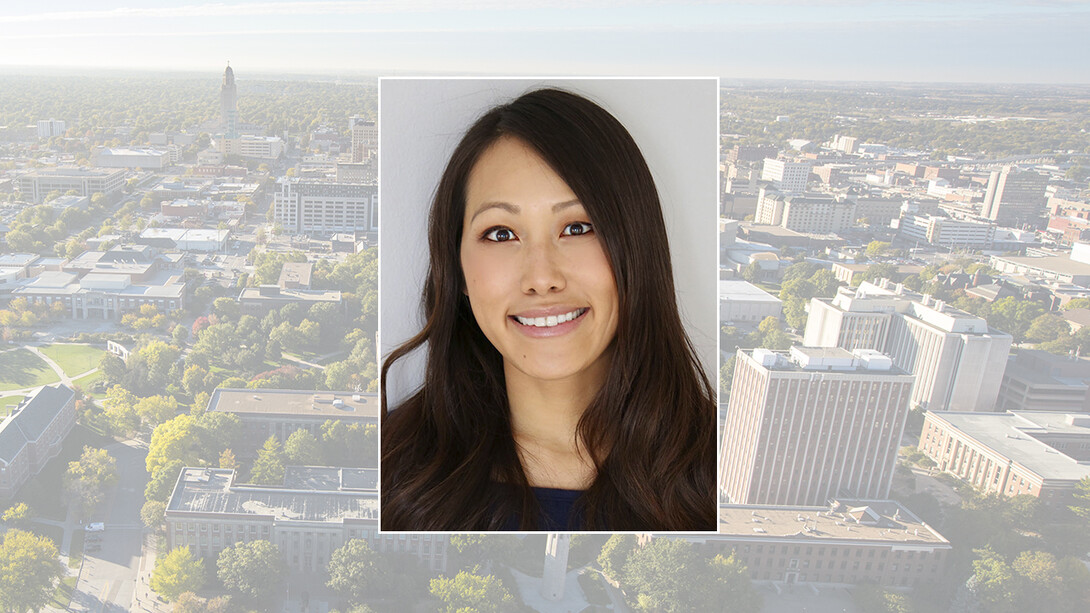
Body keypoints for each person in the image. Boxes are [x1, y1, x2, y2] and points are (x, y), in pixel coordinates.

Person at [381, 88, 715, 531]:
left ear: (636, 248)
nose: (542, 277)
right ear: (456, 271)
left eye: (577, 228)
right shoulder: (387, 473)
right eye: (501, 234)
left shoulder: (730, 473)